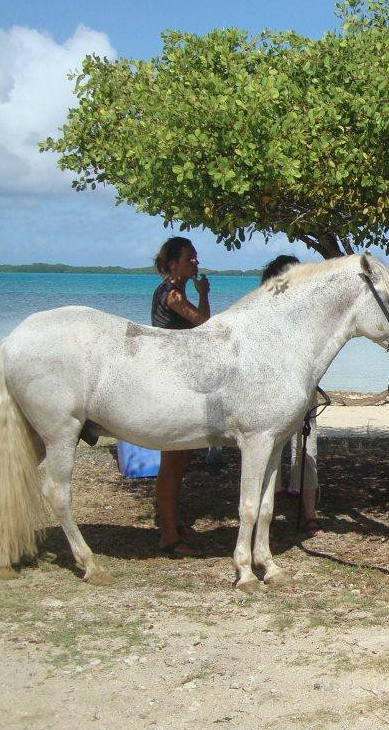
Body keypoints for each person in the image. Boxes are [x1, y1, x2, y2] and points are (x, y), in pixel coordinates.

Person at [151, 237, 210, 555]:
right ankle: (169, 536)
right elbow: (204, 326)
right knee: (173, 462)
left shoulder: (175, 291)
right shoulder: (172, 294)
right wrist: (204, 295)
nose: (195, 262)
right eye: (189, 258)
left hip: (180, 381)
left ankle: (171, 522)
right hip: (171, 384)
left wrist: (200, 294)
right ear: (173, 264)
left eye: (196, 257)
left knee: (180, 459)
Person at [260, 254, 321, 535]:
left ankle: (309, 512)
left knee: (306, 449)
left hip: (303, 387)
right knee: (269, 448)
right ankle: (269, 508)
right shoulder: (266, 311)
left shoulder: (307, 310)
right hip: (273, 390)